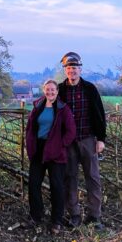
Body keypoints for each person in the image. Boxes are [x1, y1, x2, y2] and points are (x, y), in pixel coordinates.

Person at [58, 51, 108, 229]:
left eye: (75, 68)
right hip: (68, 142)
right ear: (65, 70)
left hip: (87, 138)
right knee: (69, 178)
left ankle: (94, 216)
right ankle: (75, 215)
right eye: (69, 68)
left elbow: (99, 114)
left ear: (80, 69)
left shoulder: (90, 88)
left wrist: (101, 139)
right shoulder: (59, 90)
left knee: (93, 178)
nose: (72, 71)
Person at [25, 79, 75, 233]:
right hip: (38, 150)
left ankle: (56, 221)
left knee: (57, 187)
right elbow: (30, 128)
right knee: (33, 184)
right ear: (44, 90)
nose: (50, 92)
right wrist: (31, 145)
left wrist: (60, 145)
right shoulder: (38, 106)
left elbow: (71, 132)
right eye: (48, 89)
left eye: (53, 90)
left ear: (57, 91)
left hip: (56, 152)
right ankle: (36, 216)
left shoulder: (63, 108)